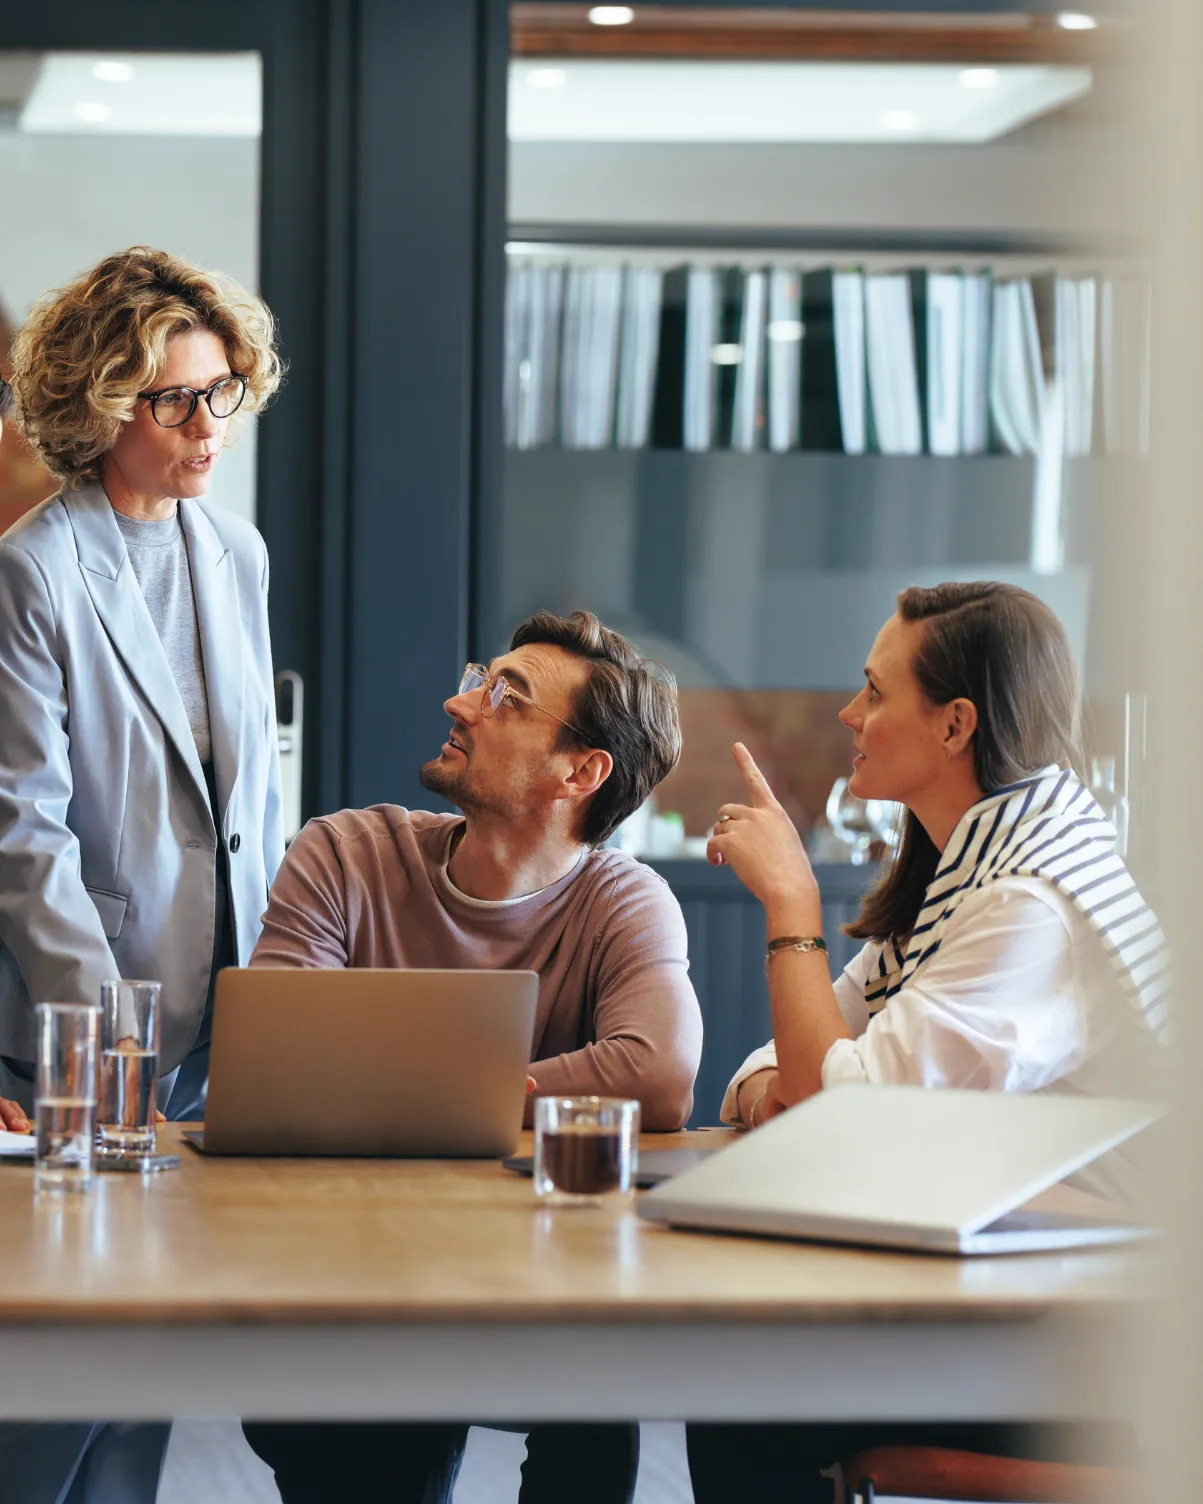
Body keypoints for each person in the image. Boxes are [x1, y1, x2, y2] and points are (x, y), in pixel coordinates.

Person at [686, 581, 1167, 1504]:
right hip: (1016, 1288)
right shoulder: (971, 870)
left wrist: (790, 902)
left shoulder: (1028, 907)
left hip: (1097, 1350)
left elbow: (839, 1111)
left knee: (739, 1377)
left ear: (954, 727)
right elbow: (788, 1067)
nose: (846, 713)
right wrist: (793, 1088)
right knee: (738, 1365)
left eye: (872, 691)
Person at [242, 608, 704, 1504]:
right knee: (363, 1437)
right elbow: (276, 1056)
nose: (461, 703)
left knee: (599, 1393)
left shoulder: (626, 901)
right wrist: (511, 1088)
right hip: (355, 1274)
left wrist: (405, 1084)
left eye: (505, 698)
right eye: (478, 678)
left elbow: (656, 1074)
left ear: (581, 770)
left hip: (542, 1285)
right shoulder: (344, 853)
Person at [0, 248, 285, 1502]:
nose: (204, 424)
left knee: (154, 1366)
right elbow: (24, 833)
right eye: (170, 399)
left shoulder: (238, 553)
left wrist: (282, 987)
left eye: (219, 391)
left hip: (223, 1021)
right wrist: (107, 1050)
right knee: (63, 1378)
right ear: (100, 407)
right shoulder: (33, 569)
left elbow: (252, 802)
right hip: (79, 1036)